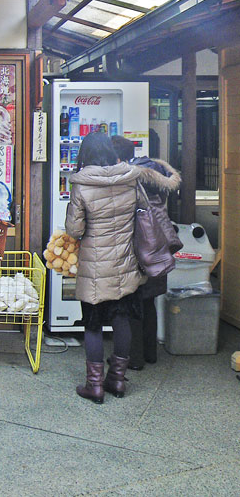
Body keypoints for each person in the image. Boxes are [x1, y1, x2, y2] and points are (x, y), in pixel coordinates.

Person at [65, 132, 142, 404]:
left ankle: (94, 386)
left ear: (84, 155)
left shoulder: (82, 186)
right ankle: (117, 380)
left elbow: (74, 230)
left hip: (96, 265)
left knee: (94, 324)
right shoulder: (130, 178)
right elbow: (141, 212)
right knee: (122, 319)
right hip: (124, 260)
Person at [111, 134, 181, 369]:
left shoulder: (131, 178)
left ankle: (134, 358)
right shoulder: (155, 174)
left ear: (118, 156)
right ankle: (150, 353)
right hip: (158, 245)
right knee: (148, 302)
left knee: (132, 303)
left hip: (139, 246)